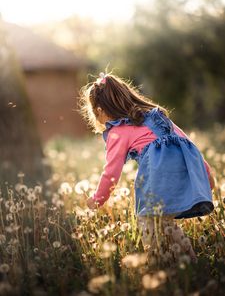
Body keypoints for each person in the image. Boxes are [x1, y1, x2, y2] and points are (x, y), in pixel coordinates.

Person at [79, 72, 215, 263]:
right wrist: (206, 173)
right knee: (166, 222)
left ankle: (155, 263)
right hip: (182, 176)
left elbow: (111, 172)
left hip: (159, 179)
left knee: (148, 223)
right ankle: (191, 263)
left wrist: (97, 199)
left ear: (99, 110)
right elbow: (187, 143)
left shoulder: (118, 131)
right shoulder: (156, 117)